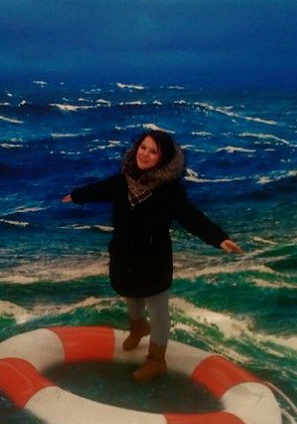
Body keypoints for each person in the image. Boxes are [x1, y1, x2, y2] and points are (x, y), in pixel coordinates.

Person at [62, 130, 243, 381]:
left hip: (153, 259)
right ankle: (138, 326)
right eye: (143, 148)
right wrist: (76, 196)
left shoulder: (170, 191)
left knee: (158, 309)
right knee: (130, 294)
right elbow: (100, 189)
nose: (145, 154)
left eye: (153, 151)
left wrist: (219, 238)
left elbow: (191, 217)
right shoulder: (123, 180)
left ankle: (157, 359)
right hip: (124, 255)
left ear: (163, 158)